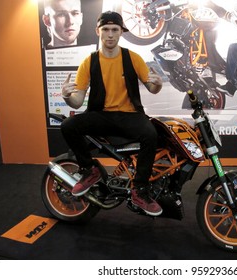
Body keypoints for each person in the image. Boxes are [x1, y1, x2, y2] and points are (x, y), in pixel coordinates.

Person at [60, 11, 163, 216]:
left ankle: (140, 189)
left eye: (114, 30)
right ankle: (90, 170)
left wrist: (157, 85)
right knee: (68, 126)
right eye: (105, 29)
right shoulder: (89, 62)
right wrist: (66, 97)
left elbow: (152, 88)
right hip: (101, 115)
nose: (109, 34)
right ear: (98, 31)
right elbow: (78, 101)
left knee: (151, 134)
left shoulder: (132, 58)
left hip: (130, 115)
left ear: (121, 32)